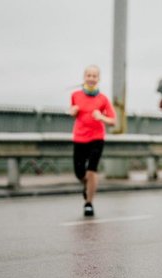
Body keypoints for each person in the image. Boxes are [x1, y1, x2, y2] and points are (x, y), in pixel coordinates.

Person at [69, 65, 116, 217]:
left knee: (92, 169)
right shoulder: (75, 95)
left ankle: (89, 203)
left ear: (98, 79)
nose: (91, 78)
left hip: (97, 138)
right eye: (88, 75)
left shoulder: (103, 99)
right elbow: (72, 111)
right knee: (79, 172)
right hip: (79, 137)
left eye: (94, 76)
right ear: (84, 77)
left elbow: (113, 121)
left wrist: (101, 117)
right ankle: (87, 185)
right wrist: (73, 112)